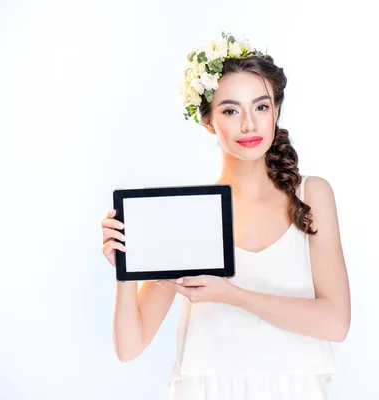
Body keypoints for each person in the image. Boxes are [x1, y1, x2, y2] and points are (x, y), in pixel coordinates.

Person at [100, 33, 351, 400]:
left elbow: (336, 322)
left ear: (276, 111)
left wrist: (233, 295)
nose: (249, 124)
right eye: (231, 111)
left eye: (261, 107)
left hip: (294, 388)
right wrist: (125, 266)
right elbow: (130, 346)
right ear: (208, 122)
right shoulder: (187, 214)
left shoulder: (311, 194)